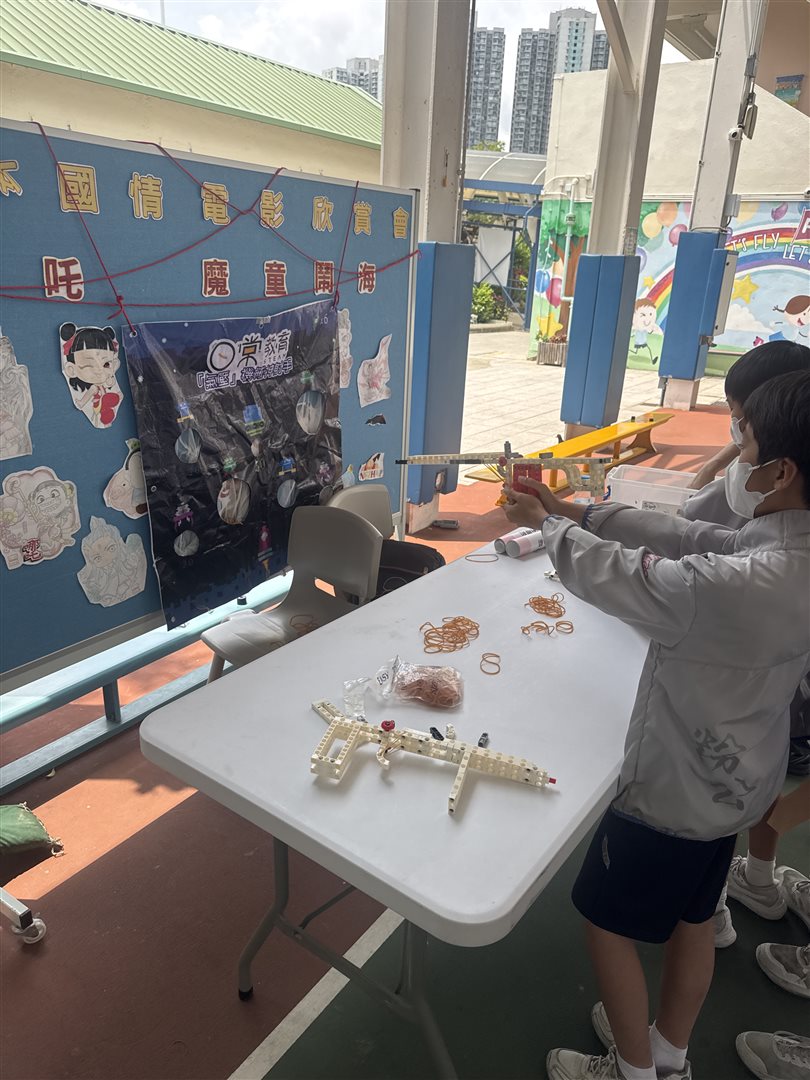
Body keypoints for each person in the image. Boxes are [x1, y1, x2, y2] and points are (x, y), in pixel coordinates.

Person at [502, 370, 810, 1080]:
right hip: (737, 785)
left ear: (782, 471)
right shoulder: (786, 553)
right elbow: (687, 534)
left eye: (746, 444)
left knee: (606, 926)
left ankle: (635, 1071)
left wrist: (550, 529)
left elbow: (634, 578)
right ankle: (669, 1050)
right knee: (693, 920)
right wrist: (577, 511)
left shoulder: (741, 585)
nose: (736, 457)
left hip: (675, 791)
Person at [676, 343, 810, 946]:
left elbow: (691, 517)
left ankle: (707, 906)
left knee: (730, 777)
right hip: (785, 691)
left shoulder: (771, 519)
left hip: (765, 685)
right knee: (759, 772)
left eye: (742, 425)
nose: (735, 440)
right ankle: (754, 878)